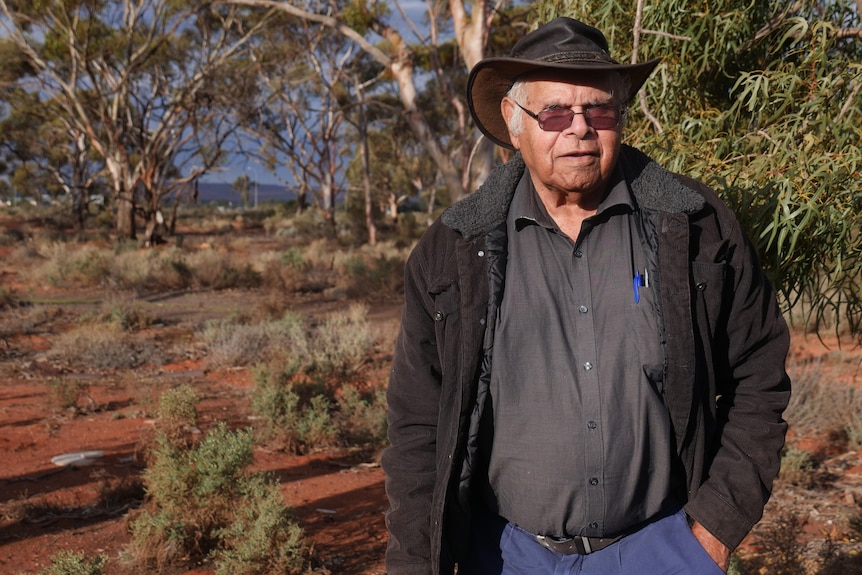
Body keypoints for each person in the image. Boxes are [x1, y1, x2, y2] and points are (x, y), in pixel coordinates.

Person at [382, 17, 791, 575]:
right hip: (504, 555)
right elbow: (417, 426)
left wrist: (711, 534)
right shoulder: (452, 251)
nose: (579, 129)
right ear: (513, 120)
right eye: (554, 112)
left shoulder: (696, 228)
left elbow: (760, 378)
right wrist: (416, 563)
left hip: (662, 549)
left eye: (598, 110)